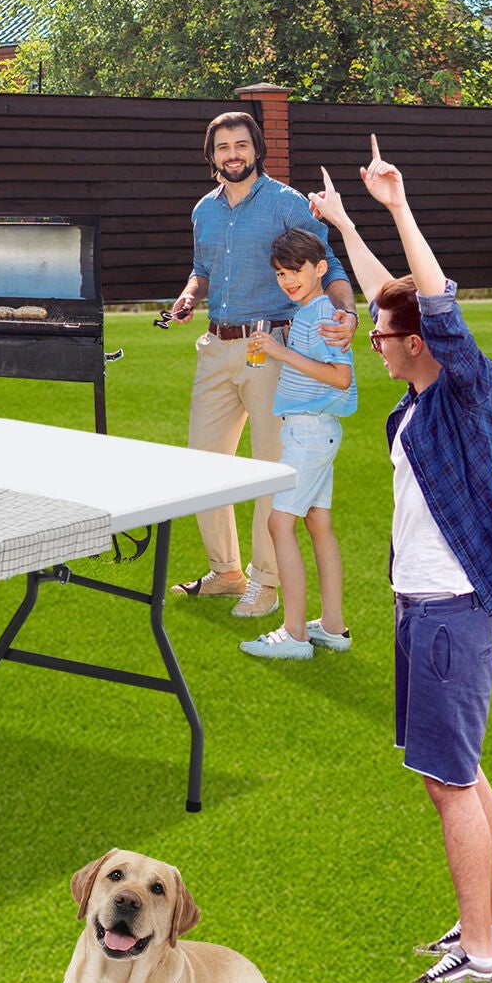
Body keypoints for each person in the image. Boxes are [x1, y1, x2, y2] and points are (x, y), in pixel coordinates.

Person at [309, 145, 492, 983]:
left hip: (449, 606)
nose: (372, 336)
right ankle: (490, 926)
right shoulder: (418, 399)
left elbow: (432, 304)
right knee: (462, 772)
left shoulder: (462, 395)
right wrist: (343, 223)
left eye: (384, 334)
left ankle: (477, 959)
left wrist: (397, 207)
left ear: (421, 344)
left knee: (449, 783)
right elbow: (389, 296)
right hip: (420, 605)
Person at [165, 111, 358, 619]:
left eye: (241, 145)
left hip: (268, 346)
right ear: (212, 156)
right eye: (224, 147)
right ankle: (226, 573)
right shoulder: (203, 211)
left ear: (257, 149)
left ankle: (265, 582)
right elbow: (201, 270)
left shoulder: (286, 204)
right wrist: (188, 296)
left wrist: (348, 312)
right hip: (215, 346)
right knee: (203, 466)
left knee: (270, 468)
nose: (233, 154)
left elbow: (330, 265)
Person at [238, 227, 356, 661]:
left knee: (279, 523)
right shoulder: (308, 311)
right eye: (281, 273)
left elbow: (340, 377)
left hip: (310, 434)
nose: (288, 280)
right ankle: (332, 627)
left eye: (296, 271)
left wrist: (279, 352)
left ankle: (294, 635)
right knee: (317, 523)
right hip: (312, 431)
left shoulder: (322, 313)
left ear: (321, 268)